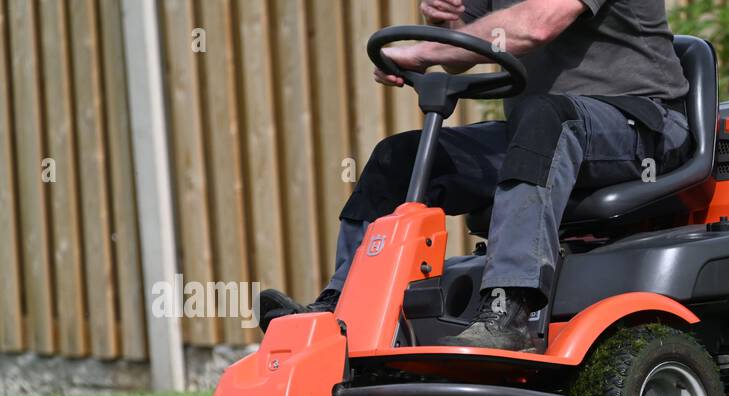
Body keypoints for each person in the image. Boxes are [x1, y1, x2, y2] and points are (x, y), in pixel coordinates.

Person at [258, 0, 692, 351]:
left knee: (543, 118)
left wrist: (426, 50)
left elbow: (535, 25)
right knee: (398, 157)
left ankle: (509, 312)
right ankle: (339, 311)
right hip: (547, 131)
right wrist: (446, 22)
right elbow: (469, 50)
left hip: (644, 126)